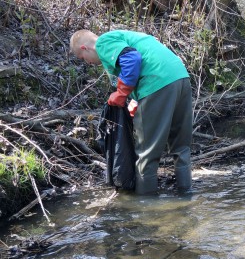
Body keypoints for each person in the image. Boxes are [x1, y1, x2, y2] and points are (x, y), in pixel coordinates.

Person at [70, 29, 193, 195]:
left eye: (82, 58)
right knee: (181, 148)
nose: (87, 63)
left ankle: (145, 208)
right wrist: (135, 101)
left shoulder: (103, 43)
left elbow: (132, 58)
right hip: (180, 78)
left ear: (85, 48)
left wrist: (121, 93)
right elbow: (146, 60)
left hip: (157, 83)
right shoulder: (125, 36)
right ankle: (186, 196)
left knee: (147, 154)